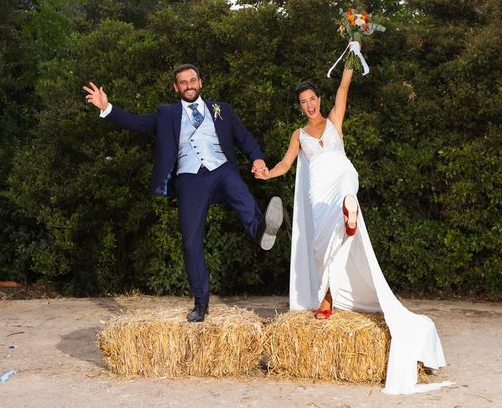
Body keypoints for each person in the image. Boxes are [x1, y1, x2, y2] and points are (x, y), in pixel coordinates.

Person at [254, 66, 448, 395]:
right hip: (318, 191)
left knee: (348, 186)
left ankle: (350, 208)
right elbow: (286, 165)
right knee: (320, 246)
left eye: (312, 98)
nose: (309, 105)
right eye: (303, 102)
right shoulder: (298, 136)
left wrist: (352, 45)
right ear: (299, 106)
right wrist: (266, 174)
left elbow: (345, 84)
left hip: (340, 177)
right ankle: (328, 287)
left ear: (319, 99)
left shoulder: (334, 120)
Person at [83, 64, 283, 323]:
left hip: (220, 168)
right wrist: (106, 108)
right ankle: (201, 303)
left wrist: (256, 158)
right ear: (175, 87)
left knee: (240, 191)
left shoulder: (222, 110)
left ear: (201, 82)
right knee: (191, 242)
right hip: (189, 178)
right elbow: (135, 122)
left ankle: (261, 231)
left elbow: (243, 137)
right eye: (183, 82)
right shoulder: (166, 113)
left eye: (192, 80)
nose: (188, 85)